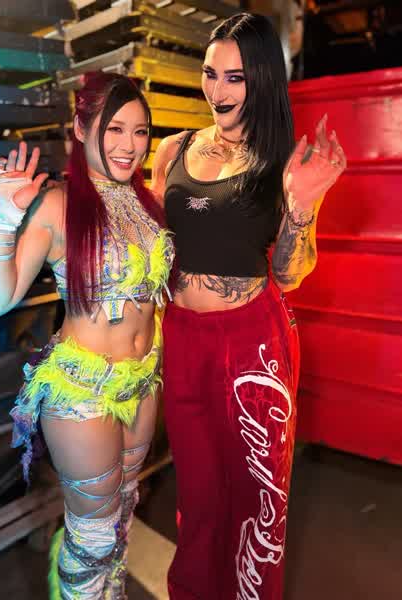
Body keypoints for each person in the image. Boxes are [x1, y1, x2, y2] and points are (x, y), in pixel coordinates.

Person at [151, 12, 346, 600]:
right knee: (198, 498)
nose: (217, 90)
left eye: (234, 77)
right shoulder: (173, 150)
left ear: (261, 80)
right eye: (210, 73)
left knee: (258, 502)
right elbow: (153, 250)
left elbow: (289, 273)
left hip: (253, 344)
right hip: (182, 337)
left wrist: (303, 205)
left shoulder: (283, 160)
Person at [0, 72, 174, 600]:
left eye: (139, 131)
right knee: (92, 537)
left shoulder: (145, 204)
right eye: (114, 129)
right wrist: (4, 220)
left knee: (123, 513)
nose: (129, 145)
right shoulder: (57, 204)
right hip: (82, 392)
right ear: (82, 128)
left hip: (142, 382)